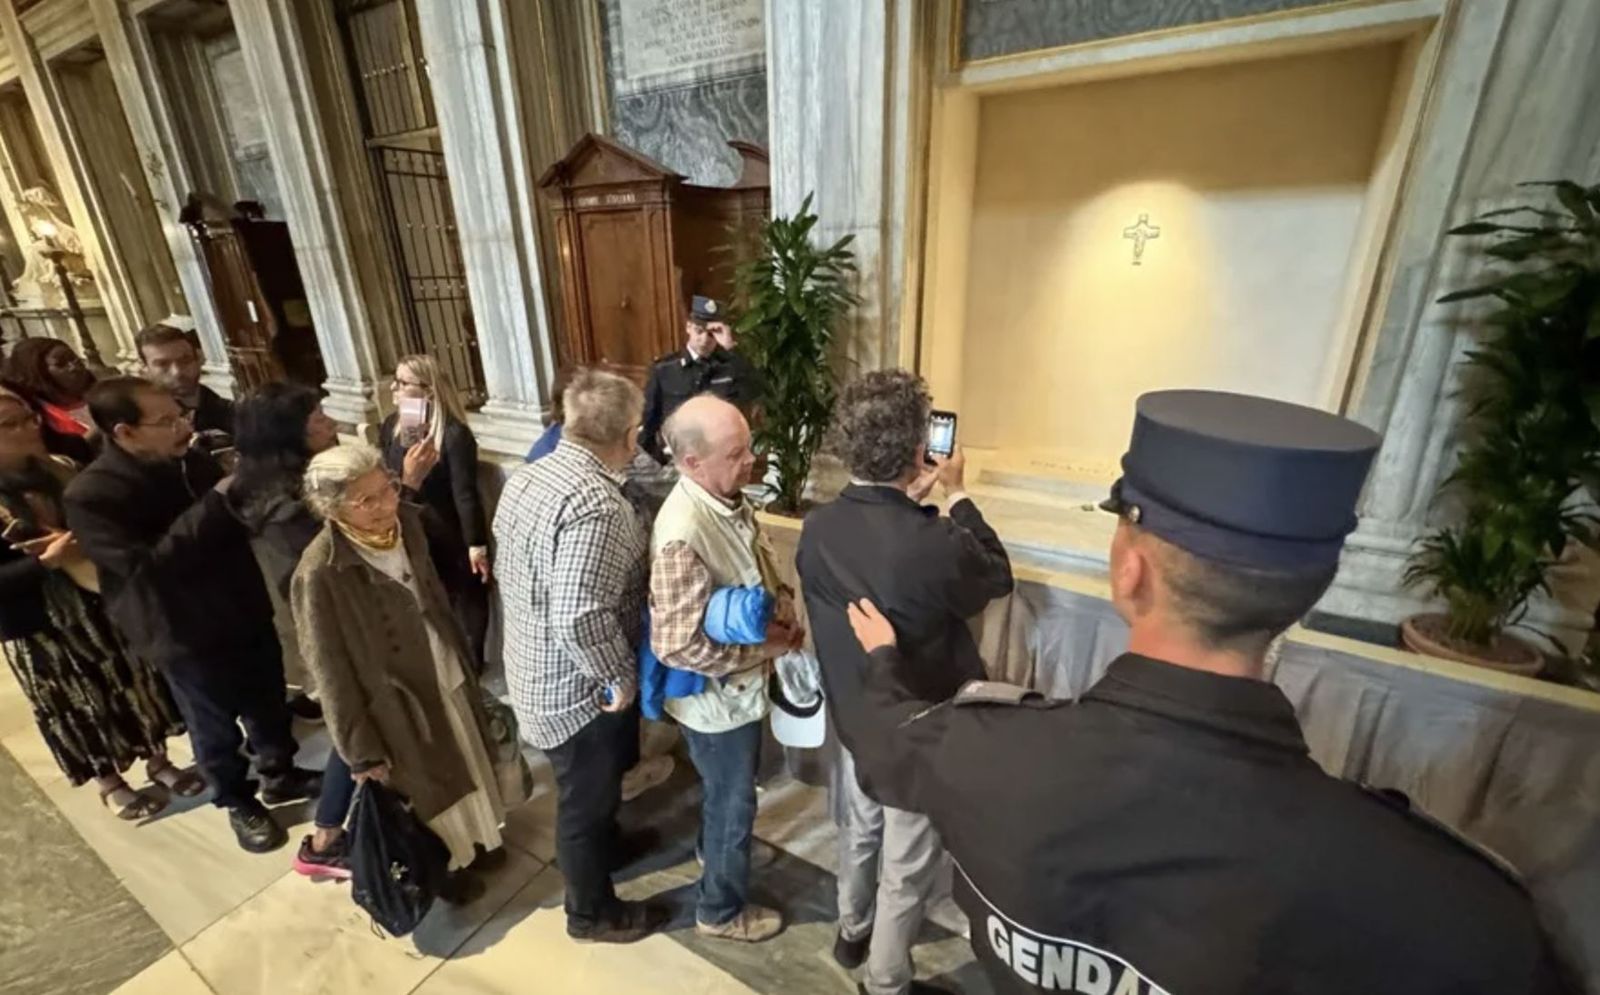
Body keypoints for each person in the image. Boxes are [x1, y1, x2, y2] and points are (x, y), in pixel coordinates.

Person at [842, 389, 1577, 995]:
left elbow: (882, 740)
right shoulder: (1453, 910)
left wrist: (882, 660)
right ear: (1306, 595)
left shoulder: (983, 751)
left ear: (1129, 569)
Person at [797, 370, 1014, 995]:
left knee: (860, 828)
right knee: (908, 862)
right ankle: (885, 980)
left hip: (856, 717)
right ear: (919, 449)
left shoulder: (819, 529)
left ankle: (850, 930)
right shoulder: (933, 542)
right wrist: (957, 494)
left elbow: (877, 555)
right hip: (917, 728)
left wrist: (910, 499)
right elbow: (995, 574)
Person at [63, 377, 320, 853]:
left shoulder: (193, 463)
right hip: (182, 628)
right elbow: (145, 568)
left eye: (181, 414)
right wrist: (217, 502)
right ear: (125, 432)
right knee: (215, 727)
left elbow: (234, 524)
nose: (183, 426)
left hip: (240, 607)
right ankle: (238, 800)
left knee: (268, 702)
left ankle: (280, 775)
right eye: (166, 421)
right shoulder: (91, 495)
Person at [496, 368, 671, 943]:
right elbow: (580, 612)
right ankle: (590, 912)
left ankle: (609, 848)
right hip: (576, 689)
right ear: (630, 435)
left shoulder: (529, 477)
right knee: (582, 802)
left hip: (531, 663)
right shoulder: (598, 506)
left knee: (600, 790)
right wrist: (617, 676)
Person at [292, 443, 508, 901]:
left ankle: (479, 837)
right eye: (366, 501)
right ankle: (444, 869)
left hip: (440, 663)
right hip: (394, 698)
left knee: (465, 757)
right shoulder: (320, 571)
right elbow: (328, 670)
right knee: (427, 787)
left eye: (386, 490)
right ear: (331, 508)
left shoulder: (406, 522)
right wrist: (360, 752)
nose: (385, 506)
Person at [0, 385, 200, 820]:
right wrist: (48, 563)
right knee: (79, 700)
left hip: (101, 597)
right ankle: (108, 780)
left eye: (28, 418)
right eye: (8, 425)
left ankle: (158, 759)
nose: (26, 430)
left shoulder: (66, 468)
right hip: (40, 622)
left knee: (136, 681)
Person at [649, 395, 801, 943]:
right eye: (737, 453)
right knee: (734, 801)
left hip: (736, 693)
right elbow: (675, 646)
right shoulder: (682, 534)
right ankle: (719, 910)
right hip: (716, 704)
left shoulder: (723, 497)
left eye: (749, 447)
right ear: (692, 463)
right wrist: (763, 653)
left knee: (726, 796)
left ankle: (713, 848)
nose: (751, 460)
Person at [231, 382, 372, 878]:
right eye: (317, 417)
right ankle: (325, 839)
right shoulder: (289, 506)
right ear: (288, 432)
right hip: (331, 634)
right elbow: (329, 571)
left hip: (321, 630)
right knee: (357, 731)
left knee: (360, 727)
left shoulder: (270, 483)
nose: (329, 424)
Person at [379, 354, 490, 669]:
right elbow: (392, 475)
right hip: (408, 522)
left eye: (403, 383)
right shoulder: (394, 424)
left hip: (446, 527)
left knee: (469, 594)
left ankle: (472, 662)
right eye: (396, 380)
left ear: (428, 390)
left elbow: (464, 492)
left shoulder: (453, 434)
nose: (394, 388)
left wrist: (475, 543)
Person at [638, 296, 762, 464]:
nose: (704, 339)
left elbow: (754, 390)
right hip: (675, 458)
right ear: (688, 327)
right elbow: (648, 422)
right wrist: (658, 462)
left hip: (719, 458)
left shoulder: (731, 366)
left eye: (711, 334)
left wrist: (730, 348)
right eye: (699, 331)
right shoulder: (665, 369)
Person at [135, 323, 235, 440]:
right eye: (163, 364)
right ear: (144, 369)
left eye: (185, 360)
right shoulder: (137, 426)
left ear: (199, 359)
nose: (177, 372)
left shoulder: (234, 416)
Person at [3, 338, 97, 459]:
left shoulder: (103, 393)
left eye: (75, 359)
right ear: (39, 374)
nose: (73, 367)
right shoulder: (36, 417)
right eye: (61, 364)